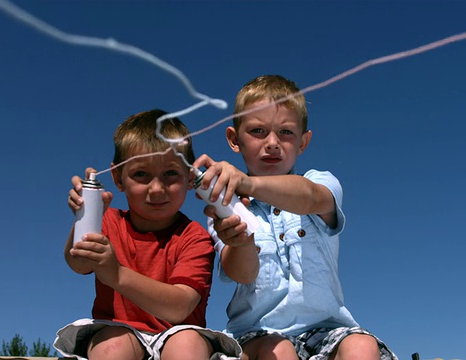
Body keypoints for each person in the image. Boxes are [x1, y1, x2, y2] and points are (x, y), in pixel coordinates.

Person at [192, 75, 398, 360]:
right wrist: (240, 241)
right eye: (258, 131)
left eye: (286, 133)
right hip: (258, 334)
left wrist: (247, 183)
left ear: (303, 142)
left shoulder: (320, 181)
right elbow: (242, 273)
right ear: (233, 139)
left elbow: (311, 197)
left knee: (362, 346)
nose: (273, 143)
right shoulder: (226, 206)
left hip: (328, 330)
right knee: (280, 352)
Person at [53, 109, 241, 360]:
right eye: (141, 174)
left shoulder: (194, 236)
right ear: (118, 178)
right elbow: (77, 263)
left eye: (171, 174)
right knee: (112, 347)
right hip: (118, 329)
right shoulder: (108, 221)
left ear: (189, 178)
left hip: (178, 331)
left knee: (186, 345)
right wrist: (84, 218)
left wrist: (117, 274)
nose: (156, 189)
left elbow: (180, 307)